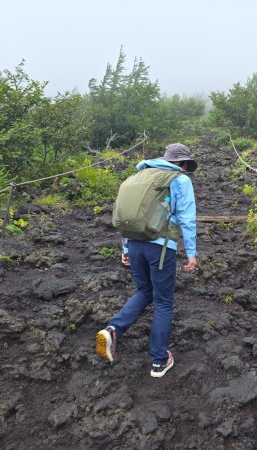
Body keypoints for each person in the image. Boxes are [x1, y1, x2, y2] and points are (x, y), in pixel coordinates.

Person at [96, 143, 198, 378]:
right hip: (160, 247)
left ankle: (113, 329)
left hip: (134, 243)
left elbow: (128, 214)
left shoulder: (138, 175)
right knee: (163, 301)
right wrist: (191, 253)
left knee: (144, 291)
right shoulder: (180, 180)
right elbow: (187, 219)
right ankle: (159, 361)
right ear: (182, 163)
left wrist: (125, 247)